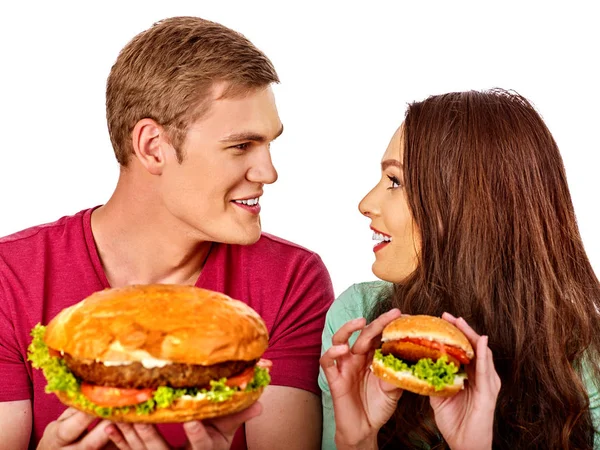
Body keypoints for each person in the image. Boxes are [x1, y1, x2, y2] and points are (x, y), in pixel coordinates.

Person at [0, 16, 334, 450]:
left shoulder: (290, 280)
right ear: (153, 146)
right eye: (240, 146)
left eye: (270, 144)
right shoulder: (12, 277)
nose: (268, 172)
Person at [319, 89, 600, 449]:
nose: (365, 204)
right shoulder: (358, 322)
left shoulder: (585, 365)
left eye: (395, 182)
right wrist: (357, 439)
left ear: (468, 207)